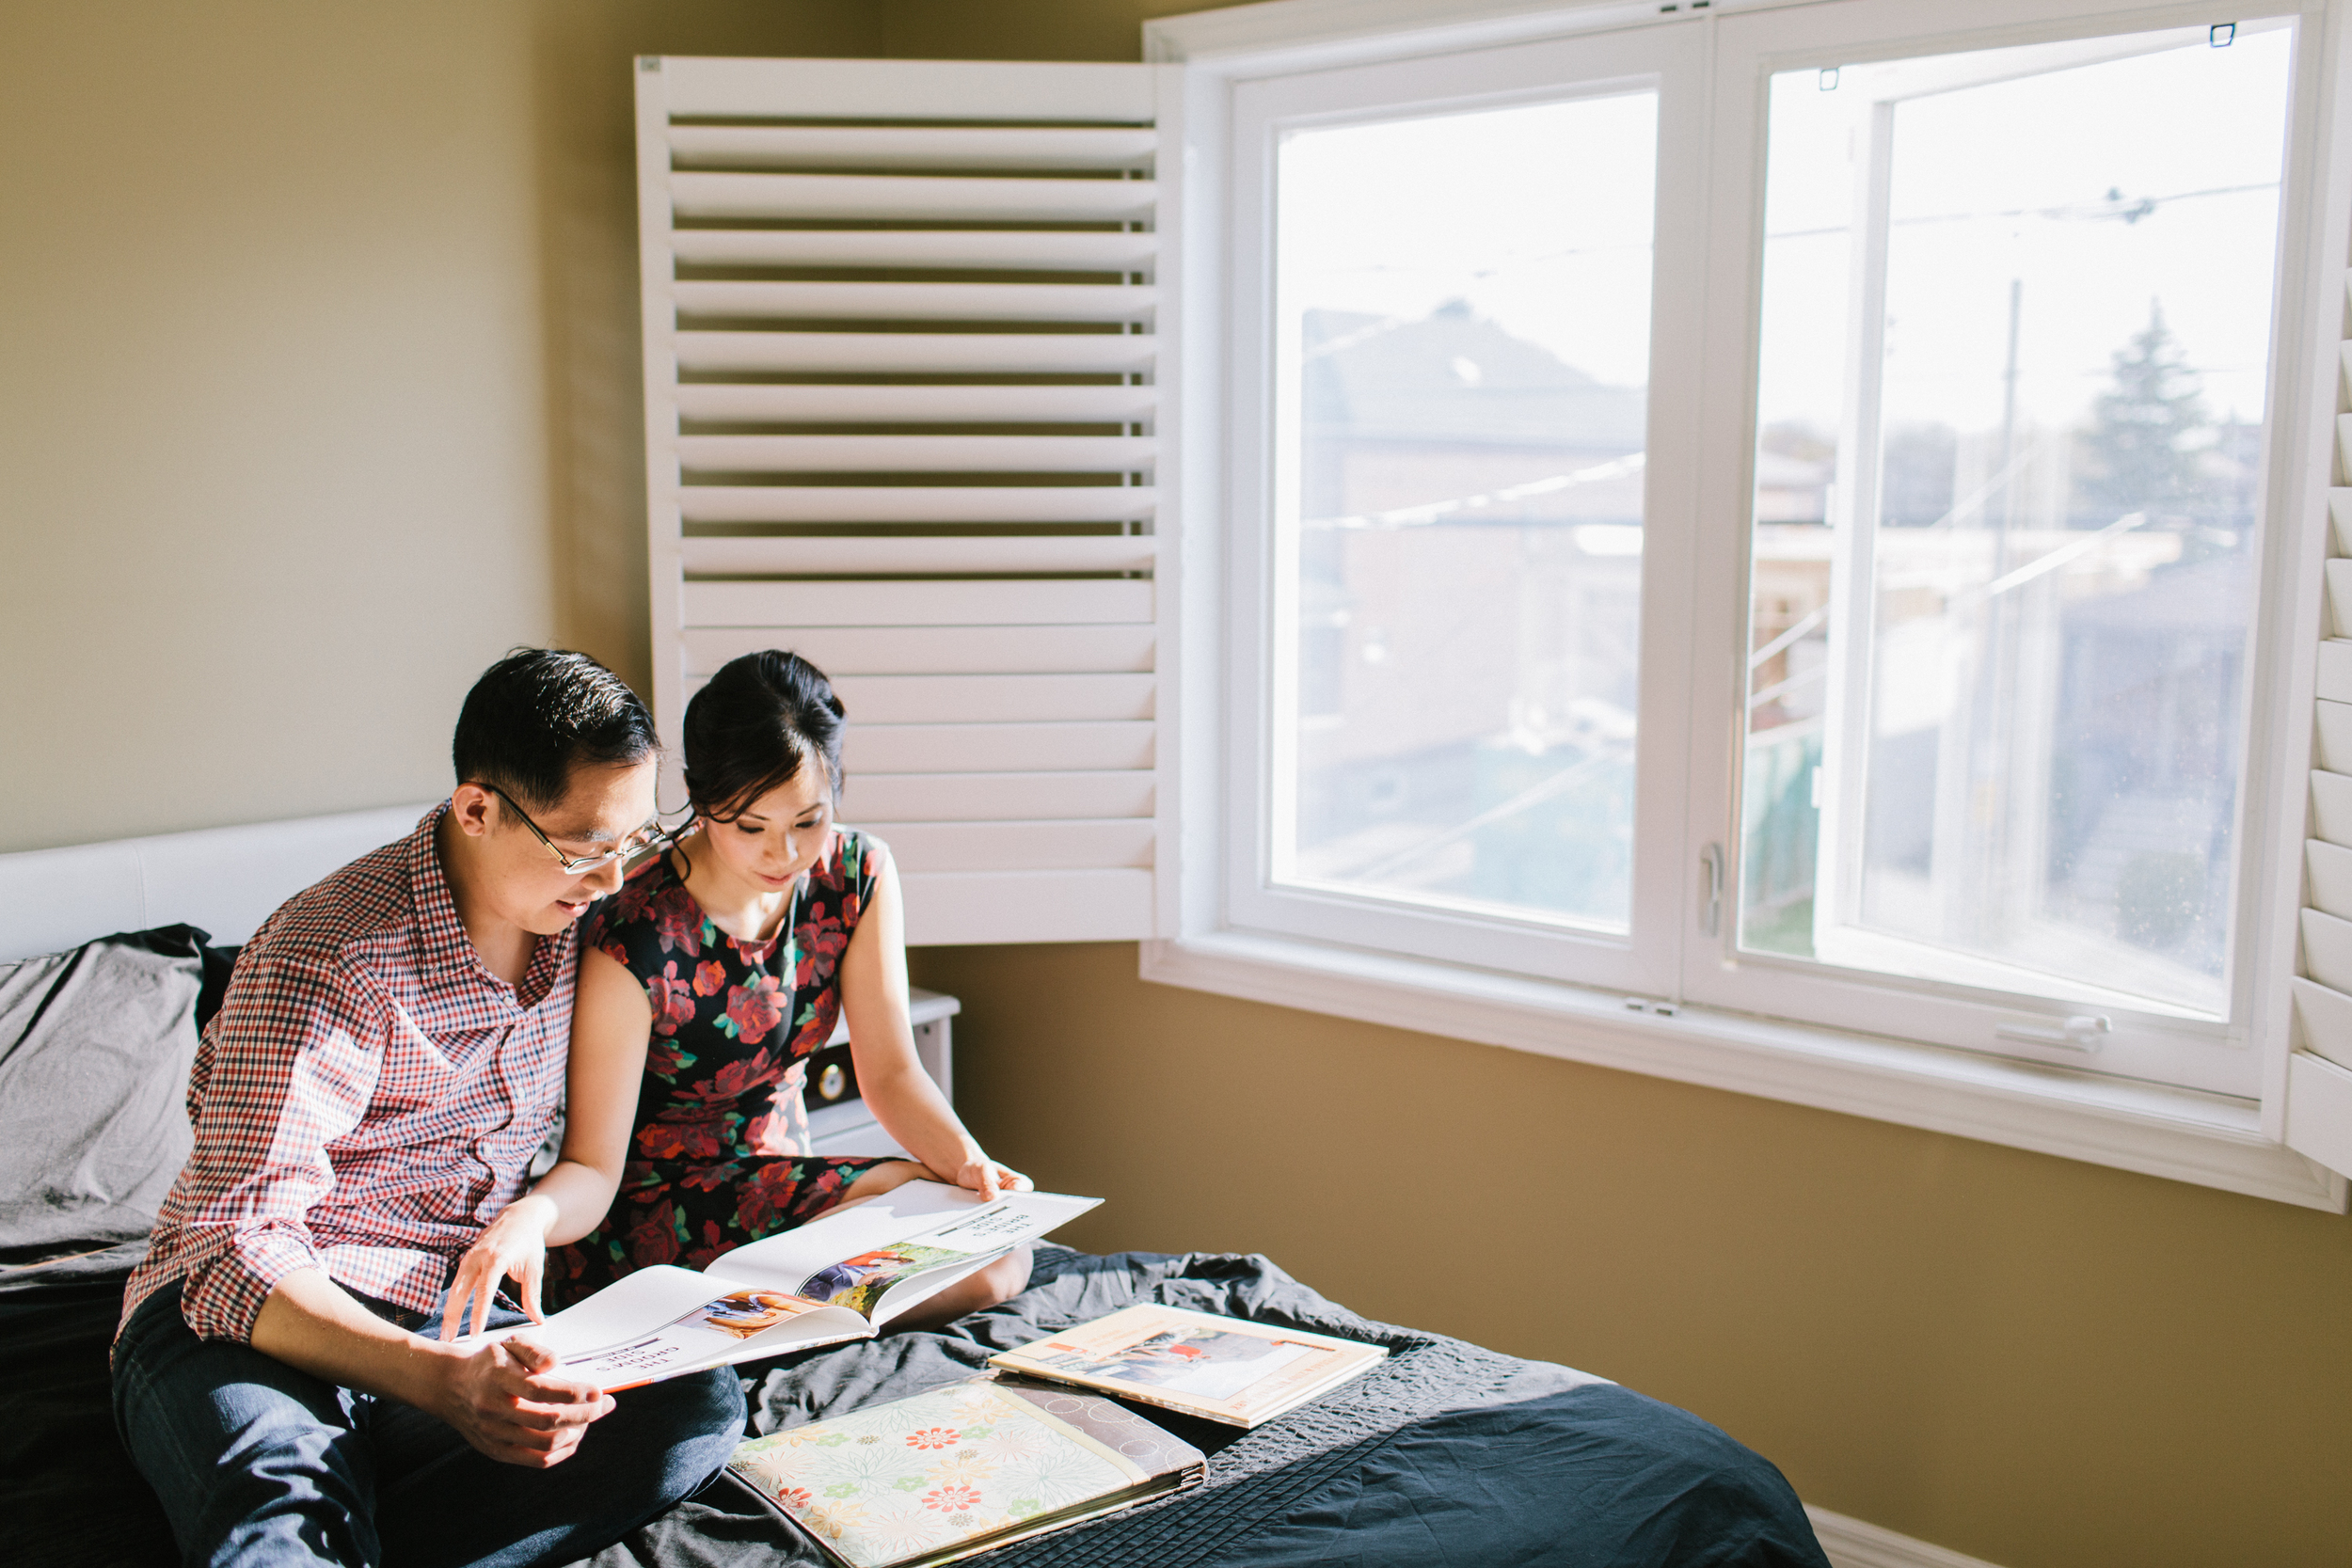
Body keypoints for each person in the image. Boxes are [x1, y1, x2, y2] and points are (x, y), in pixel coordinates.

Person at [110, 650, 744, 1568]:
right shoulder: (329, 955)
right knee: (279, 1506)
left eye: (633, 841)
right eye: (585, 846)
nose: (612, 878)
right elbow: (233, 1246)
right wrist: (443, 1382)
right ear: (477, 808)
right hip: (257, 1322)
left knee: (691, 1407)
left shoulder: (584, 930)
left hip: (447, 1314)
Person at [512, 649, 1031, 1323]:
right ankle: (775, 1313)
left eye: (807, 821)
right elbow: (595, 1162)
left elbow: (894, 1073)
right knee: (979, 1264)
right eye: (751, 826)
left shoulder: (856, 872)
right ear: (702, 803)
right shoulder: (634, 928)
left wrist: (970, 1164)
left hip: (788, 1180)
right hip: (654, 1210)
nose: (783, 854)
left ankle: (780, 1314)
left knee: (998, 1247)